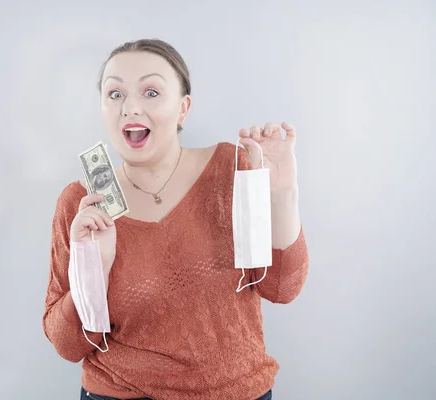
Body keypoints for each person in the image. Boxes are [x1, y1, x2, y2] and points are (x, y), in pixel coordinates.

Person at [42, 38, 309, 400]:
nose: (130, 107)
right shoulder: (80, 203)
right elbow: (67, 345)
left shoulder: (232, 170)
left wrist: (282, 193)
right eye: (115, 94)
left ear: (183, 108)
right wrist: (95, 269)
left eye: (151, 92)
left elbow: (281, 288)